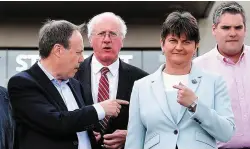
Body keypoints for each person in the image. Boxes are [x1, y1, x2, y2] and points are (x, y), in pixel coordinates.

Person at [8, 20, 128, 149]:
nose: (82, 59)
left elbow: (74, 123)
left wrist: (87, 135)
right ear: (58, 50)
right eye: (78, 52)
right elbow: (55, 122)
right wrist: (100, 109)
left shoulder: (75, 84)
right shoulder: (22, 83)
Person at [125, 11, 236, 149]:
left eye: (186, 42)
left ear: (196, 46)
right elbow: (134, 140)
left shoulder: (214, 82)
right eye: (173, 41)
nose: (179, 47)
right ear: (162, 44)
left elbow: (226, 133)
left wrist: (195, 105)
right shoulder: (142, 86)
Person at [193, 1, 250, 149]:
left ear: (245, 30)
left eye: (238, 27)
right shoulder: (197, 68)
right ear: (214, 29)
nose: (232, 33)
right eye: (226, 28)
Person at [75, 12, 148, 149]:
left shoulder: (141, 79)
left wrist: (131, 135)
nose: (107, 39)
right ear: (90, 39)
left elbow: (152, 123)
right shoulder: (73, 74)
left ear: (122, 40)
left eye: (113, 34)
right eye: (101, 33)